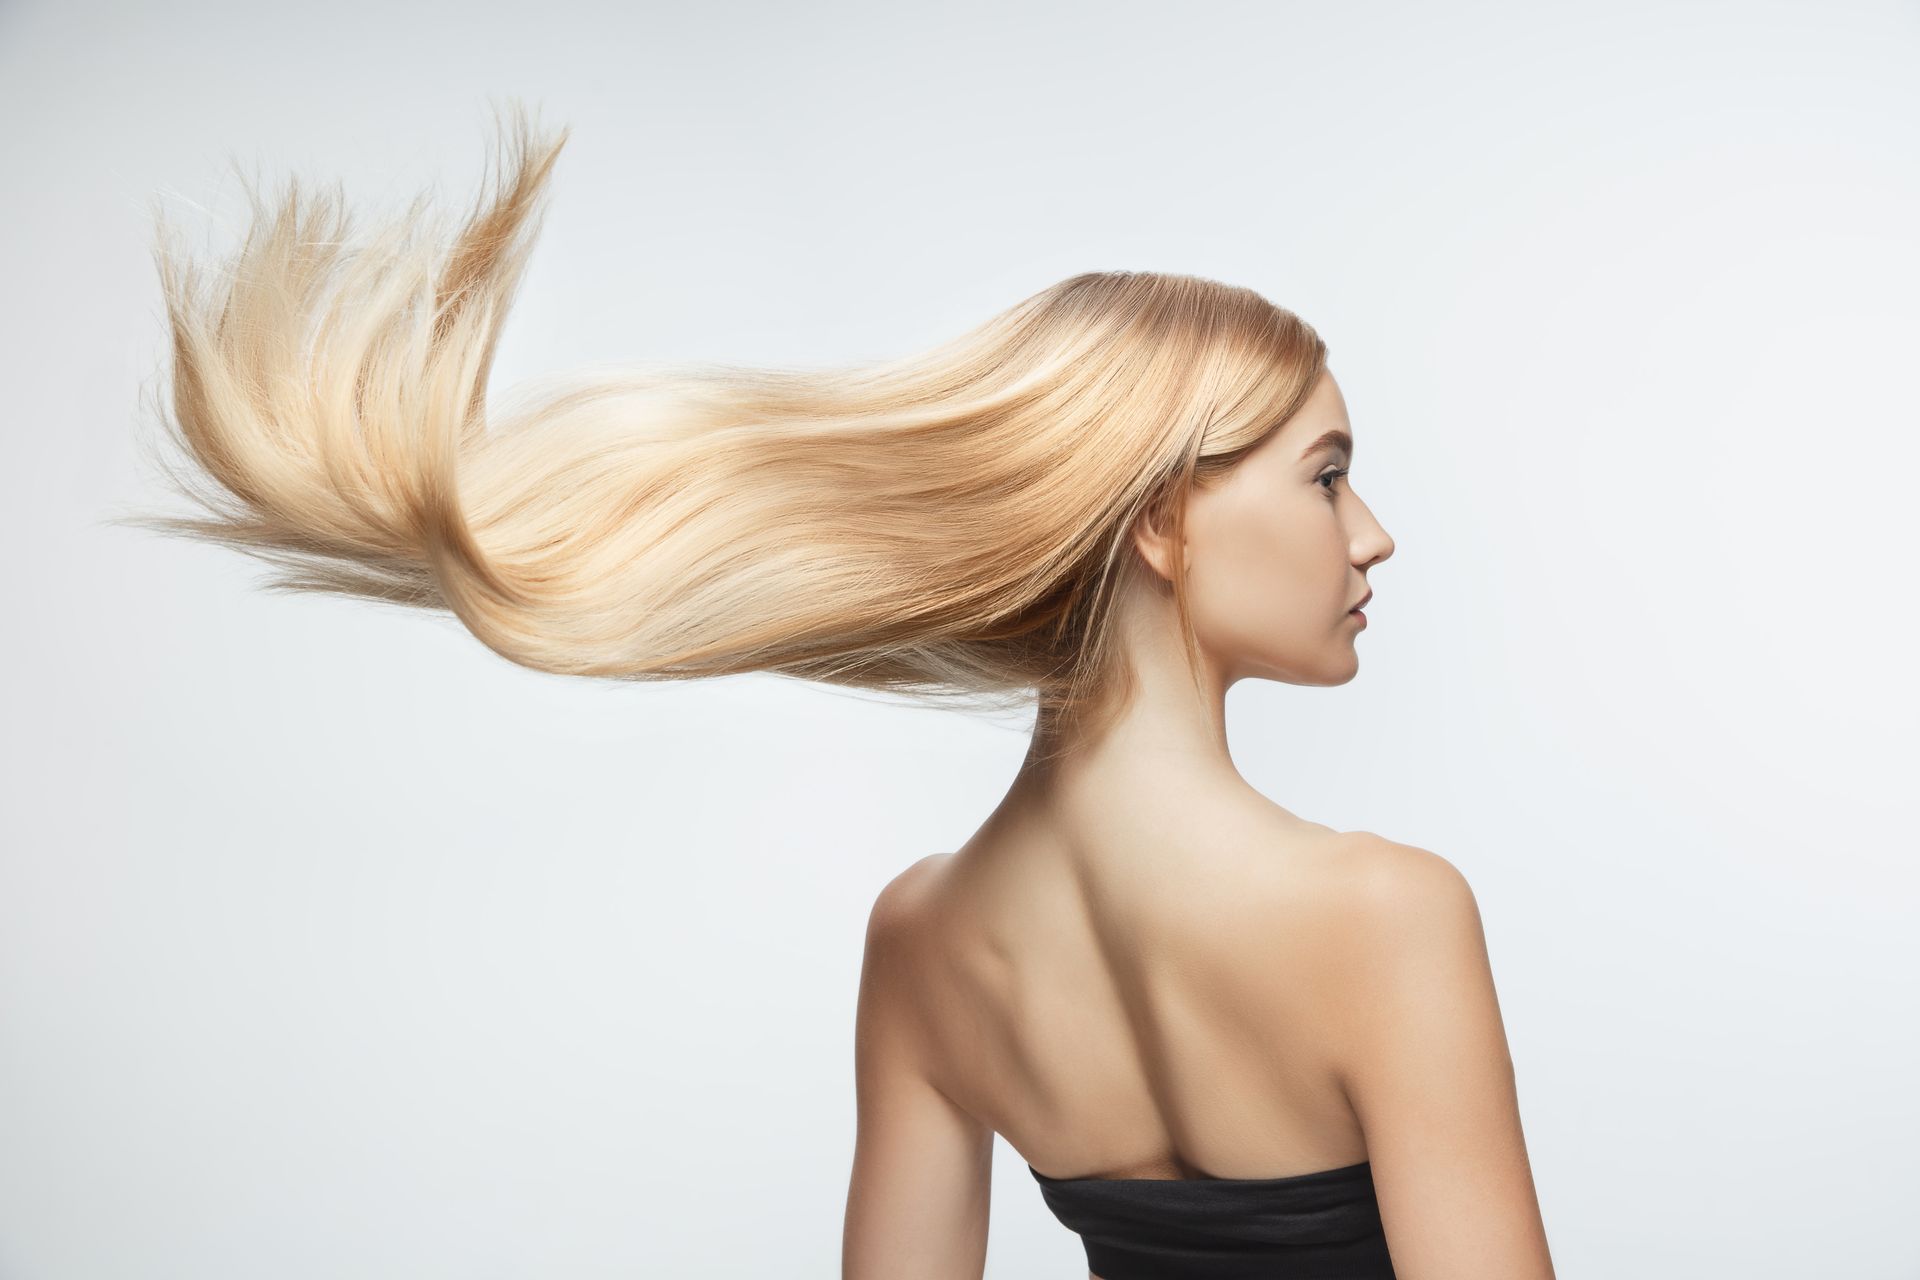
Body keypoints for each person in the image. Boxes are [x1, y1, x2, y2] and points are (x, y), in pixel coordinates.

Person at [121, 101, 1554, 1280]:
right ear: (1164, 525)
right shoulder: (1385, 915)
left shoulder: (927, 941)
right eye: (1326, 475)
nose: (1368, 533)